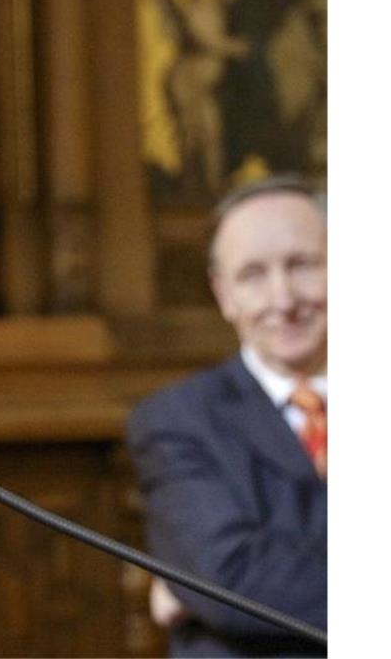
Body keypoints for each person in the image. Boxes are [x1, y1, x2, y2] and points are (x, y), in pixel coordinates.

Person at [127, 175, 327, 657]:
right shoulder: (174, 421)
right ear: (224, 295)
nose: (283, 299)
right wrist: (209, 588)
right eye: (252, 275)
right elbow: (230, 581)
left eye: (302, 265)